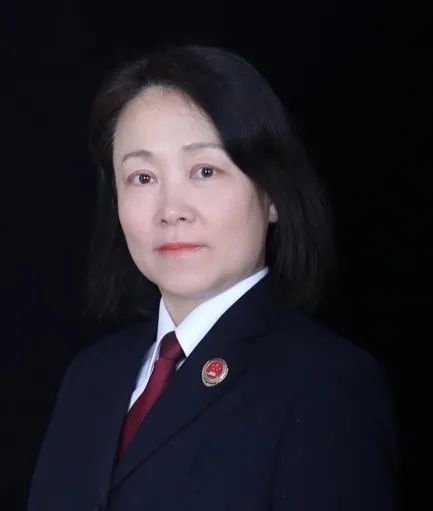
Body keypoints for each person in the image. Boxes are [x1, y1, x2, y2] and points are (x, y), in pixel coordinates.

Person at [28, 44, 398, 510]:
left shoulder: (326, 386)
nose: (172, 210)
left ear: (272, 195)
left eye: (204, 170)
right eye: (143, 178)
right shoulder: (90, 377)